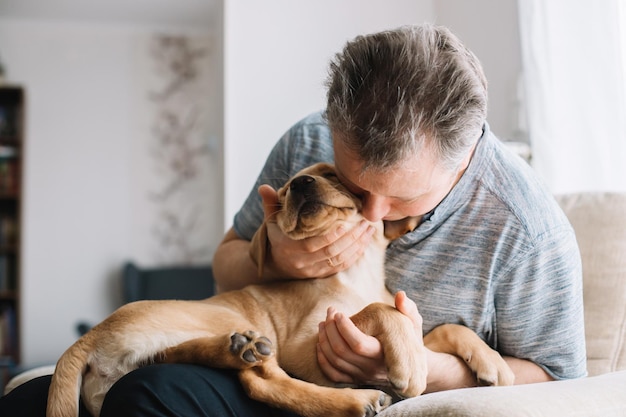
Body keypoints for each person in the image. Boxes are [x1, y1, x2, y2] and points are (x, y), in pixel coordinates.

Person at [0, 24, 586, 417]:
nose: (373, 218)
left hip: (389, 392)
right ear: (334, 128)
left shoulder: (529, 232)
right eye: (354, 186)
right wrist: (277, 256)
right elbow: (225, 267)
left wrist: (428, 367)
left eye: (404, 202)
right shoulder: (307, 144)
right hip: (266, 355)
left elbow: (565, 391)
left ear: (466, 156)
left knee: (146, 397)